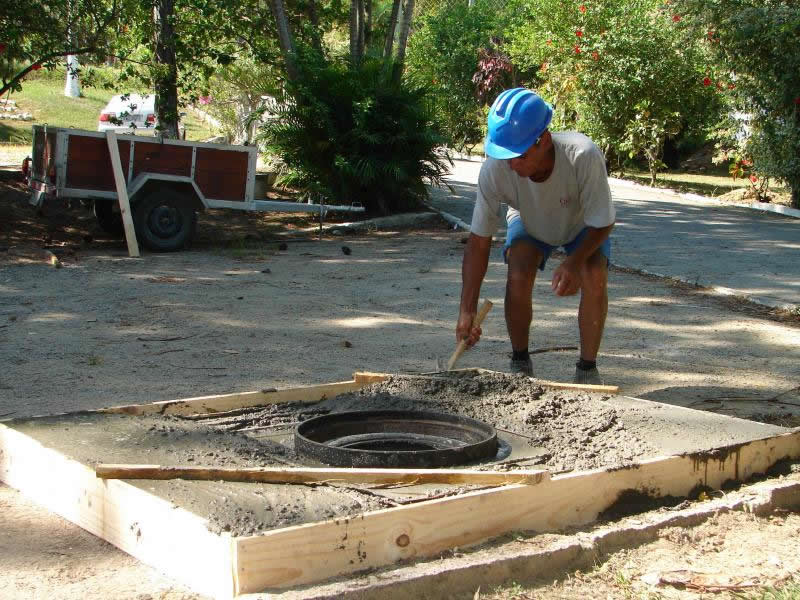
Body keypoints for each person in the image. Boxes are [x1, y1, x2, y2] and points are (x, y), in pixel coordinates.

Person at [456, 87, 615, 384]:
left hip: (582, 226)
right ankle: (520, 362)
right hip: (529, 220)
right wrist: (467, 310)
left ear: (542, 140)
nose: (510, 165)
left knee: (594, 274)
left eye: (517, 155)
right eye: (503, 155)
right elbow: (479, 241)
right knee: (518, 270)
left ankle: (587, 369)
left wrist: (574, 262)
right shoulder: (496, 168)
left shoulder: (583, 155)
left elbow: (604, 221)